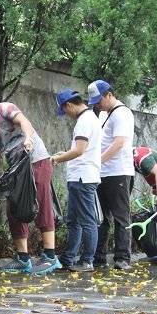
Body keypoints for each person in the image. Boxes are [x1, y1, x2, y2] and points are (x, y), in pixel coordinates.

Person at [0, 97, 60, 275]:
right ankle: (23, 258)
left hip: (35, 160)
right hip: (16, 170)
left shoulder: (3, 109)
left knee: (41, 203)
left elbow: (24, 121)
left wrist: (28, 138)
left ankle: (50, 256)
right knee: (14, 209)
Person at [51, 89, 102, 272]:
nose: (66, 115)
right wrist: (63, 154)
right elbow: (81, 150)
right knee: (74, 221)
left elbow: (79, 151)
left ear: (69, 105)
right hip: (80, 176)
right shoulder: (89, 119)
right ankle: (69, 259)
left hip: (83, 177)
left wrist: (57, 159)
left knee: (87, 220)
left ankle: (87, 261)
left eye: (65, 111)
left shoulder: (84, 121)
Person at [88, 80, 135, 270]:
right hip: (103, 173)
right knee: (102, 217)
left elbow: (119, 143)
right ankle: (99, 257)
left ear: (109, 95)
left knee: (121, 217)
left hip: (119, 173)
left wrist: (98, 161)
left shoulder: (122, 113)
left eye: (99, 100)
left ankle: (122, 258)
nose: (97, 105)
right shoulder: (105, 114)